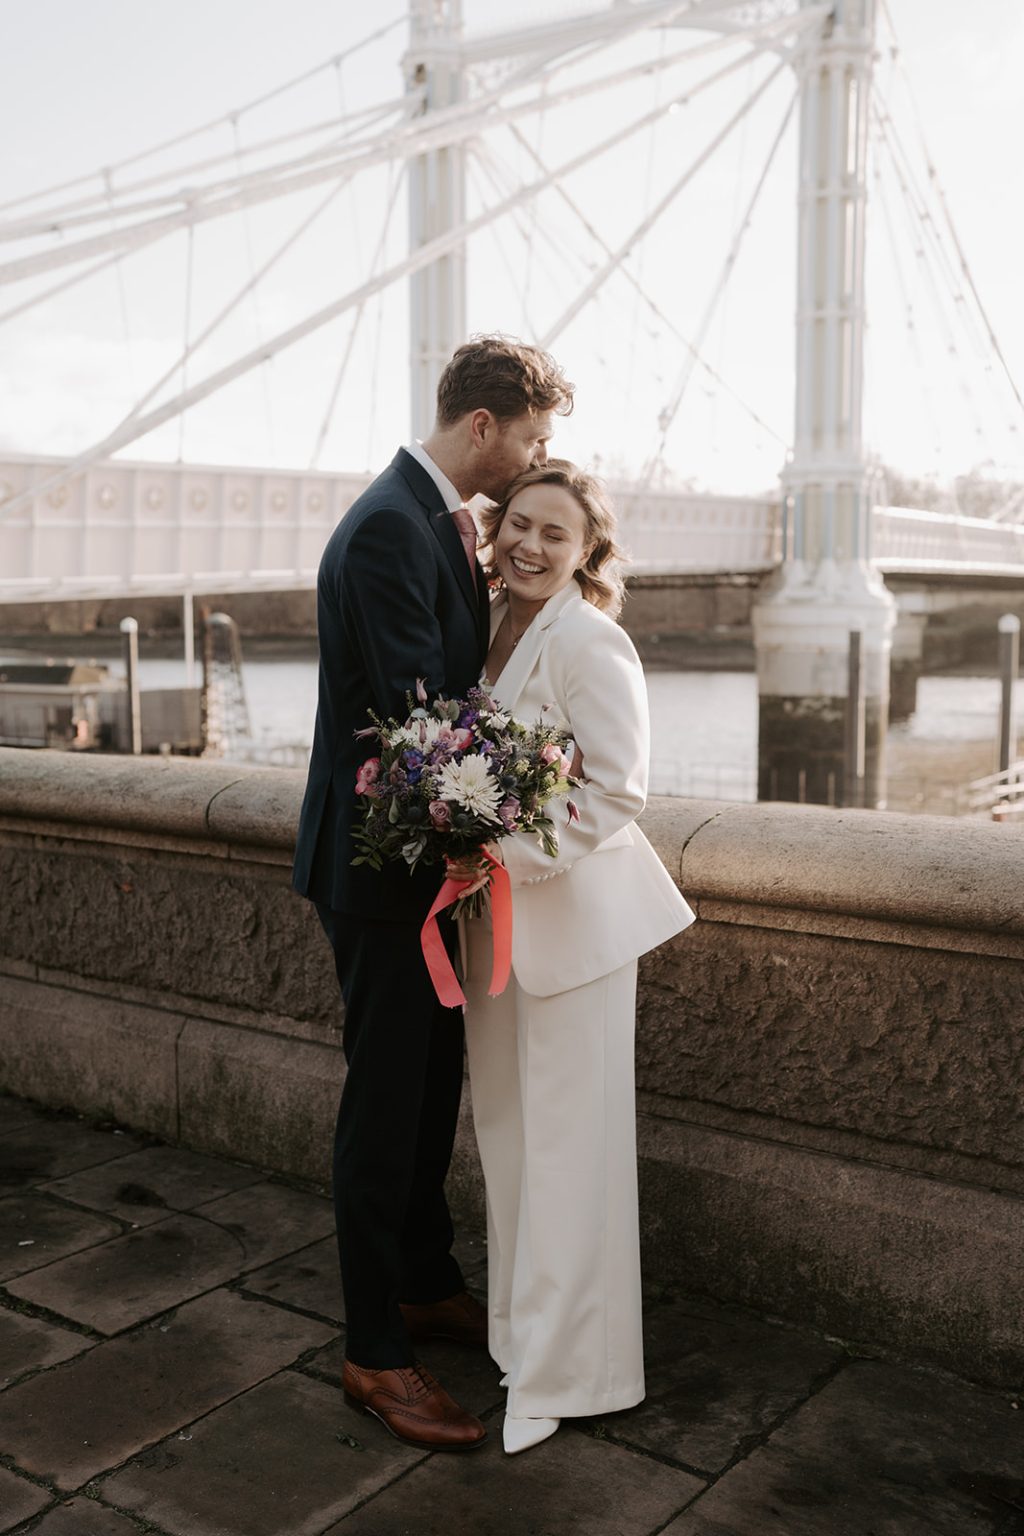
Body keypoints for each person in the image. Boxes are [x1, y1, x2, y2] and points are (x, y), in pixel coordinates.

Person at [292, 336, 574, 1452]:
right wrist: (515, 789)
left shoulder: (436, 525)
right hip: (376, 875)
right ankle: (374, 1350)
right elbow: (421, 723)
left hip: (421, 865)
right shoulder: (384, 533)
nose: (537, 458)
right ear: (482, 429)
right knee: (385, 1102)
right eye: (533, 438)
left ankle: (421, 1278)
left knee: (429, 1086)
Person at [462, 459, 696, 1455]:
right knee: (510, 1144)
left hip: (574, 929)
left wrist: (498, 855)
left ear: (586, 552)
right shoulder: (483, 628)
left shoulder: (592, 641)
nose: (529, 544)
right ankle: (521, 1339)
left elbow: (617, 794)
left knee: (569, 1156)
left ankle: (573, 1378)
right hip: (494, 932)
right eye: (519, 523)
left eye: (555, 534)